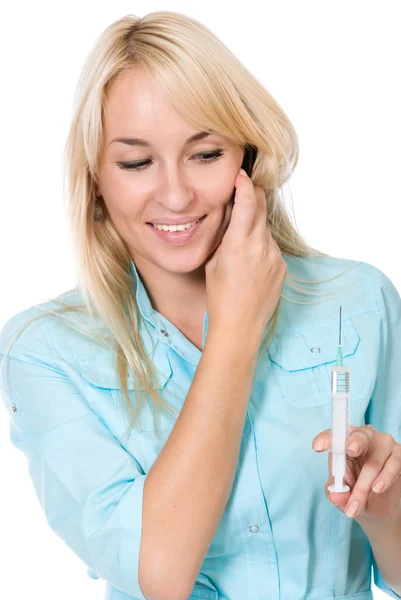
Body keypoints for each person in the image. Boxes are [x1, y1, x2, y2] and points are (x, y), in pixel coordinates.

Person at [1, 11, 401, 600]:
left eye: (206, 154)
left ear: (248, 158)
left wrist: (384, 505)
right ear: (96, 180)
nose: (175, 195)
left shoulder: (359, 302)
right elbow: (158, 573)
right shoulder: (45, 353)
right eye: (136, 162)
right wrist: (236, 328)